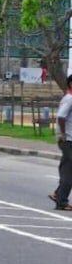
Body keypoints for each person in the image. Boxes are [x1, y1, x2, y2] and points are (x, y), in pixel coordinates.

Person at [52, 74, 72, 211]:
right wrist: (63, 134)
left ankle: (58, 194)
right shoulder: (70, 99)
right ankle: (61, 201)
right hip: (68, 140)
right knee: (68, 171)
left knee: (67, 168)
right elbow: (61, 117)